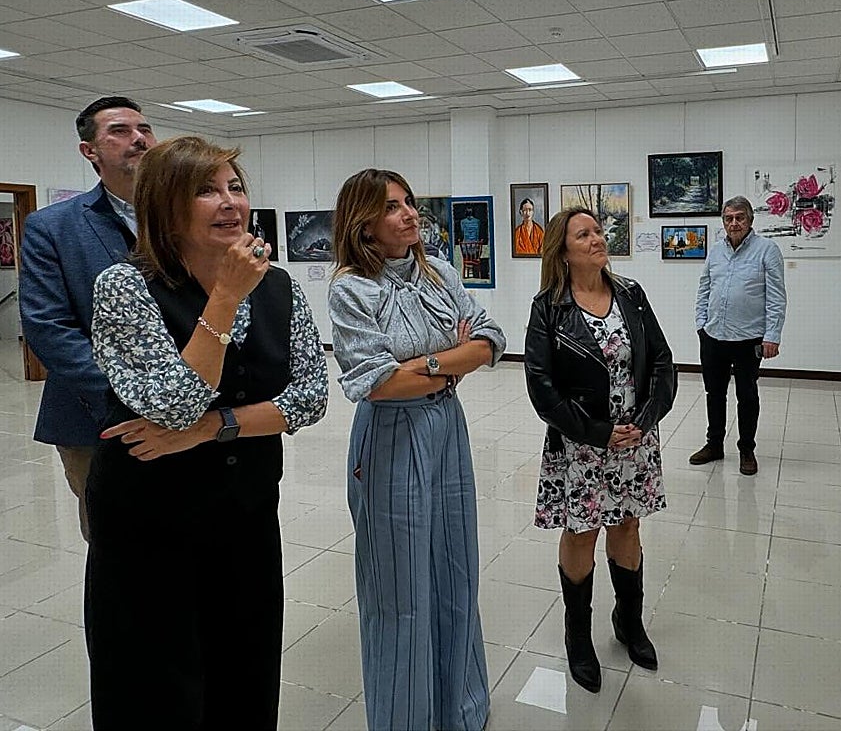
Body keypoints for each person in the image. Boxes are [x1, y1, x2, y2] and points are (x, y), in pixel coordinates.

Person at [86, 136, 329, 728]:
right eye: (206, 190)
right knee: (155, 686)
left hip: (245, 517)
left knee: (244, 676)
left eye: (235, 188)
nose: (230, 203)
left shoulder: (280, 286)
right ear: (165, 207)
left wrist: (213, 429)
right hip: (148, 524)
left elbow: (309, 398)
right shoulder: (125, 287)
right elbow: (171, 403)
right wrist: (223, 297)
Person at [328, 168, 504, 731]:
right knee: (398, 585)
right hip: (390, 438)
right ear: (363, 223)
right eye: (392, 207)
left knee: (455, 571)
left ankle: (460, 709)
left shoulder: (442, 275)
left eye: (409, 203)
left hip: (447, 431)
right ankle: (405, 717)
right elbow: (375, 383)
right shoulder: (351, 289)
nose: (409, 215)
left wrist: (427, 368)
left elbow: (489, 340)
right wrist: (449, 361)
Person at [524, 207, 676, 693]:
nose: (596, 240)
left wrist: (646, 417)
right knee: (582, 531)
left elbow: (662, 361)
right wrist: (596, 431)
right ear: (563, 250)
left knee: (627, 522)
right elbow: (541, 387)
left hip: (633, 439)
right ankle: (578, 637)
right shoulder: (549, 306)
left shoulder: (631, 294)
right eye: (583, 234)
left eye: (598, 232)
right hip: (582, 445)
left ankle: (629, 621)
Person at [19, 96, 156, 541]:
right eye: (119, 130)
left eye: (144, 129)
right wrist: (127, 397)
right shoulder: (53, 227)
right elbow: (48, 326)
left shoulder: (186, 218)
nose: (138, 138)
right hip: (94, 416)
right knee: (114, 540)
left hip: (190, 410)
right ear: (89, 151)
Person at [691, 196, 787, 476]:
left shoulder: (767, 250)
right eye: (729, 218)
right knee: (714, 393)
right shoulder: (715, 252)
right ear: (723, 221)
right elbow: (704, 288)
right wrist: (701, 324)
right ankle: (714, 445)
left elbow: (777, 298)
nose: (734, 223)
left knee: (747, 395)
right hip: (713, 336)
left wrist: (773, 335)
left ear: (750, 220)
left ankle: (746, 449)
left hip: (749, 339)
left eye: (739, 217)